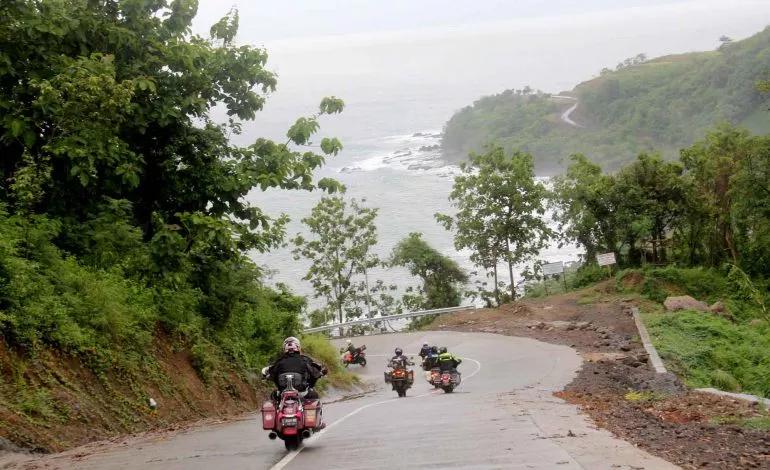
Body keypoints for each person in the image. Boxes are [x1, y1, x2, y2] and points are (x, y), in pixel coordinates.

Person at [265, 336, 327, 401]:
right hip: (302, 393)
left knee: (273, 397)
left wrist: (267, 376)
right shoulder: (305, 360)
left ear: (284, 349)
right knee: (314, 397)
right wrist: (321, 373)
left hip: (282, 394)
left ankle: (277, 410)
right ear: (298, 347)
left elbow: (271, 375)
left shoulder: (279, 361)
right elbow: (315, 373)